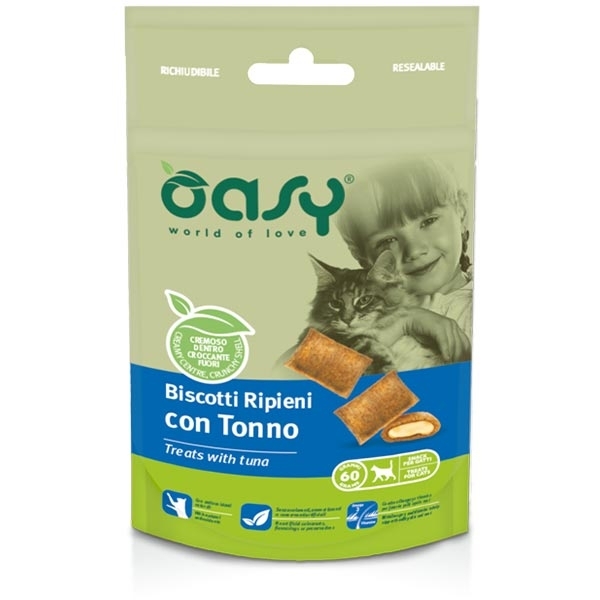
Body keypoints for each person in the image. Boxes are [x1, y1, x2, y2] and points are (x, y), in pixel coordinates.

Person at [335, 156, 473, 363]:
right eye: (388, 240)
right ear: (362, 257)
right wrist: (405, 321)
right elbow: (293, 368)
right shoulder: (359, 316)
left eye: (428, 221)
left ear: (461, 211)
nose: (414, 250)